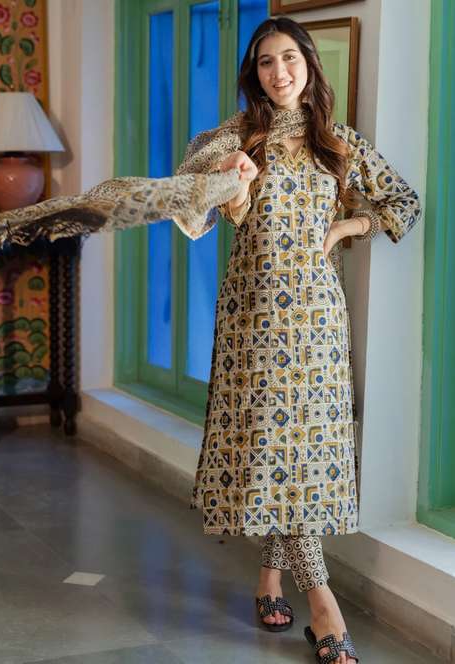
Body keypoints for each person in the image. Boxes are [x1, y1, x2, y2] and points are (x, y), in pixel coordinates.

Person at [176, 15, 421, 664]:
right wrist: (228, 178)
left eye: (289, 58)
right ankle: (325, 609)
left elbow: (403, 203)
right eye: (265, 61)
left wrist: (346, 229)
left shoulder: (339, 143)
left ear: (310, 65)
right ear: (253, 74)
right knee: (273, 451)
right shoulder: (239, 135)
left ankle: (269, 579)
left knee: (299, 459)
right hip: (253, 319)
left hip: (317, 322)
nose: (279, 71)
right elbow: (188, 187)